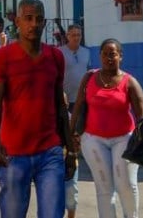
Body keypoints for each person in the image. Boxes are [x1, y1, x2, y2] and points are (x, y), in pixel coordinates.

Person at [0, 0, 75, 218]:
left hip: (50, 152)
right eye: (28, 18)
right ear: (17, 21)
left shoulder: (55, 57)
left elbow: (60, 105)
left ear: (44, 23)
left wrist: (70, 148)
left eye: (38, 19)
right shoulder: (3, 57)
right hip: (14, 154)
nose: (33, 24)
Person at [72, 39, 143, 218]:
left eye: (112, 54)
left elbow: (142, 119)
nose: (108, 58)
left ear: (120, 56)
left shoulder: (130, 82)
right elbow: (78, 107)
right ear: (100, 56)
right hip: (93, 140)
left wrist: (141, 145)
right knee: (104, 186)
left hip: (124, 139)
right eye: (105, 54)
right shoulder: (89, 77)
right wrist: (71, 134)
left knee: (126, 185)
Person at [61, 24, 91, 218]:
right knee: (65, 128)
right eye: (73, 35)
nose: (76, 38)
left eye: (79, 35)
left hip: (81, 99)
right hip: (65, 99)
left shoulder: (87, 53)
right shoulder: (60, 53)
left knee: (79, 129)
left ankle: (77, 154)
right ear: (67, 36)